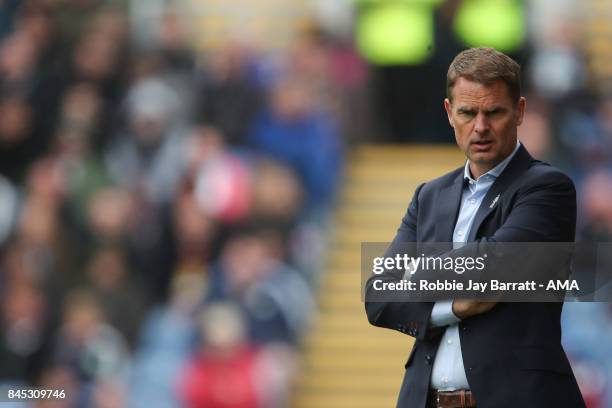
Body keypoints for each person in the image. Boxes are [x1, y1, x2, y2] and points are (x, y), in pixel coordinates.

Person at [365, 48, 586, 408]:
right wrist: (452, 307)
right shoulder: (429, 196)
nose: (480, 127)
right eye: (468, 112)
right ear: (450, 113)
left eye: (494, 112)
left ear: (520, 112)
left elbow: (490, 269)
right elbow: (379, 296)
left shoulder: (548, 187)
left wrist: (414, 276)